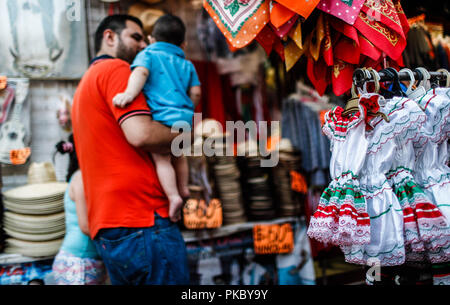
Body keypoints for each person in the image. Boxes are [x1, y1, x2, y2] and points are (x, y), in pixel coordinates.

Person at [71, 14, 190, 285]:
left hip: (112, 227)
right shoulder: (116, 70)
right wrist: (188, 135)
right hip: (143, 219)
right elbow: (142, 134)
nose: (142, 45)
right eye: (135, 37)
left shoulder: (85, 84)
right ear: (109, 37)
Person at [113, 14, 201, 222]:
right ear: (184, 44)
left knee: (162, 159)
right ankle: (184, 188)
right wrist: (188, 109)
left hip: (162, 117)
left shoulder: (149, 54)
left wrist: (129, 94)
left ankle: (173, 196)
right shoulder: (187, 64)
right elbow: (196, 93)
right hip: (184, 118)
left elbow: (140, 74)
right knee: (179, 154)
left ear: (152, 39)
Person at [51, 134, 107, 285]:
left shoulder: (80, 177)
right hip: (79, 262)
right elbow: (85, 226)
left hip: (82, 260)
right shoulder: (81, 178)